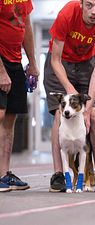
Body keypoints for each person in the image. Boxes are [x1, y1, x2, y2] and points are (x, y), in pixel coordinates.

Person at [43, 0, 95, 192]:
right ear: (81, 4)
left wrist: (88, 107)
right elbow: (55, 60)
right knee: (61, 114)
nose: (94, 11)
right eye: (89, 5)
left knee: (93, 116)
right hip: (60, 63)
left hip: (86, 64)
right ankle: (59, 174)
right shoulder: (67, 14)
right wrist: (70, 89)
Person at [0, 0, 39, 192]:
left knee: (10, 118)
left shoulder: (25, 1)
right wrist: (0, 71)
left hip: (15, 60)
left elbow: (27, 27)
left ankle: (4, 174)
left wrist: (32, 62)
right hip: (1, 60)